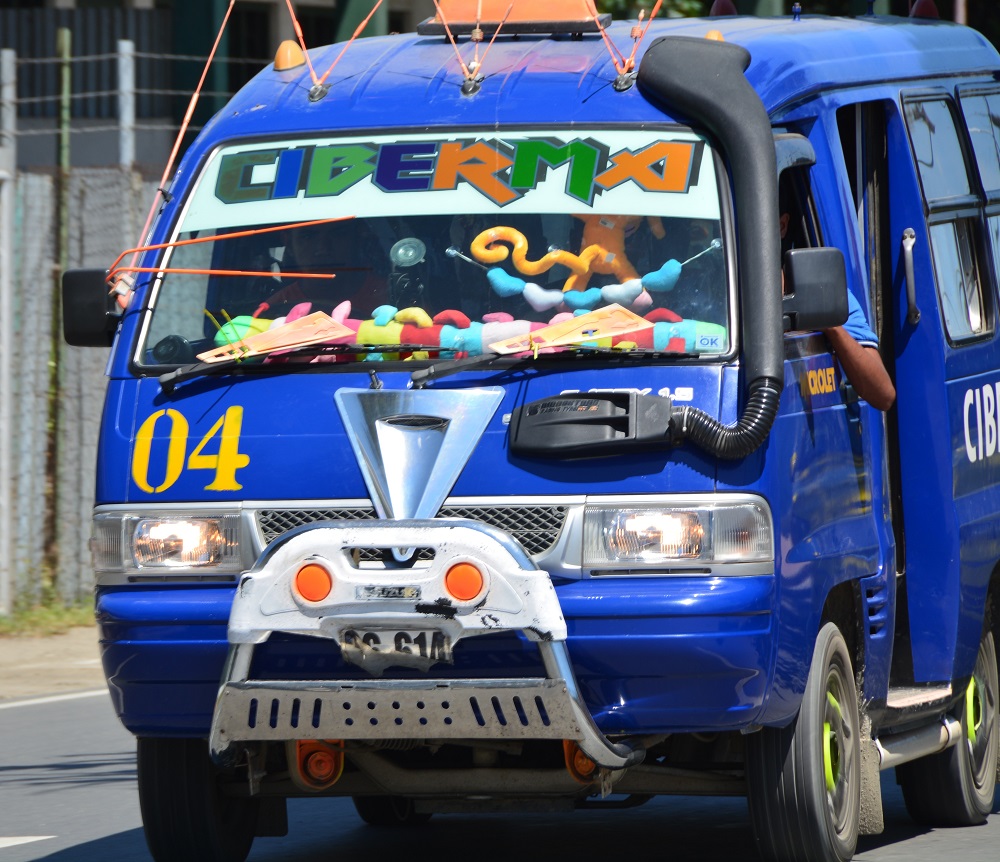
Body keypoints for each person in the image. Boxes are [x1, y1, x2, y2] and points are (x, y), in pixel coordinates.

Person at [780, 194, 896, 412]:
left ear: (782, 225)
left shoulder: (821, 290)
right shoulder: (718, 291)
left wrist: (830, 324)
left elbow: (883, 394)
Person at [252, 219, 387, 319]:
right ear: (289, 242)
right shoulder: (272, 309)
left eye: (338, 234)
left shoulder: (386, 298)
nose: (323, 249)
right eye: (308, 236)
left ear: (356, 239)